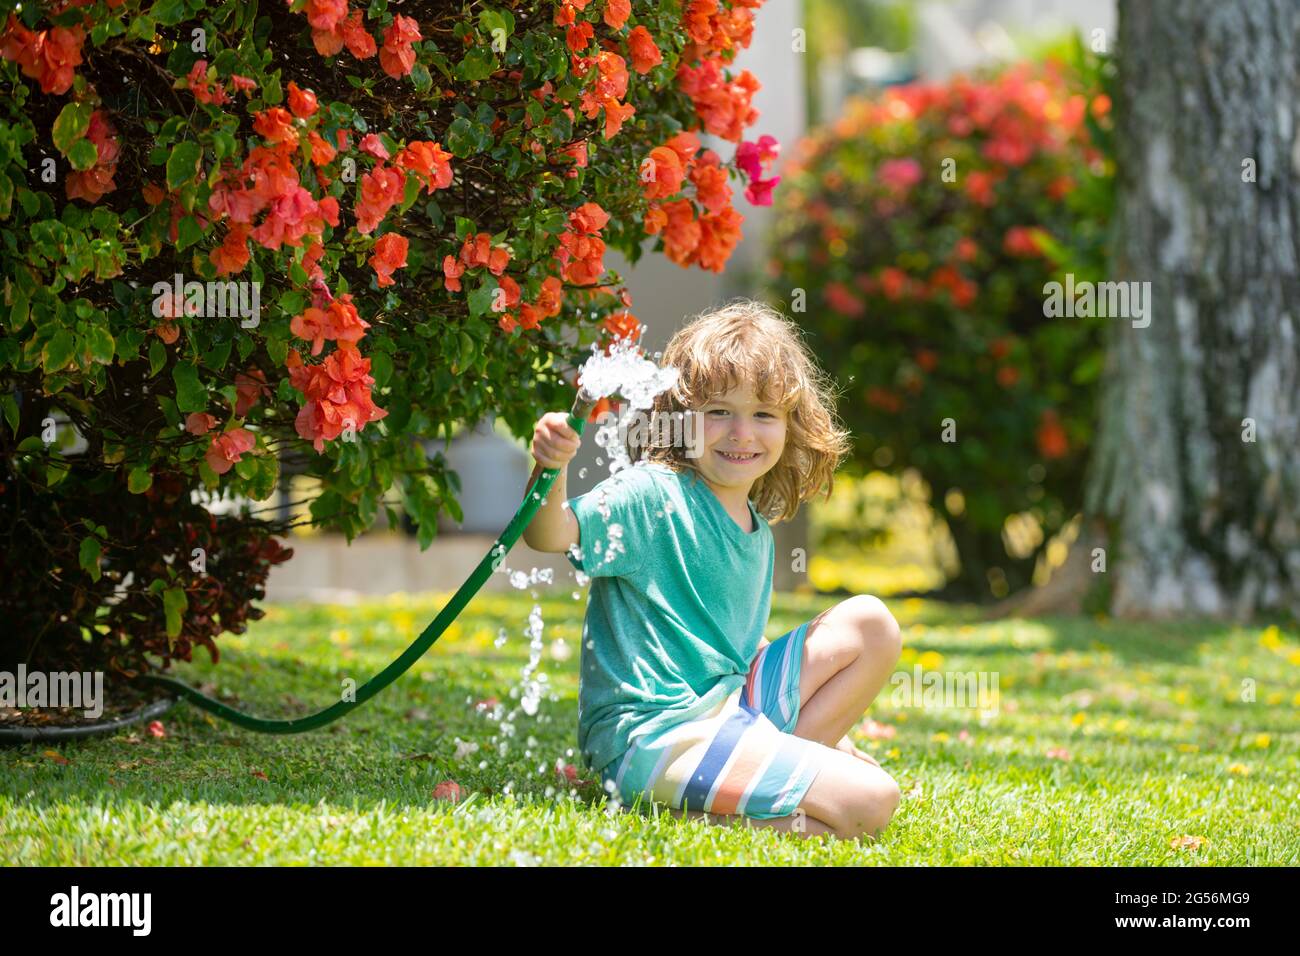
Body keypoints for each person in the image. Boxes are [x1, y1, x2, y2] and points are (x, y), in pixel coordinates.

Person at [523, 300, 902, 840]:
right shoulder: (654, 496)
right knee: (872, 802)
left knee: (871, 623)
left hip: (726, 707)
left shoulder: (755, 526)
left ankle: (780, 774)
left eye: (764, 414)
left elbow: (732, 644)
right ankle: (685, 812)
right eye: (719, 411)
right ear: (680, 418)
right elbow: (550, 534)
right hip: (655, 737)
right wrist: (550, 467)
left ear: (790, 427)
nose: (742, 433)